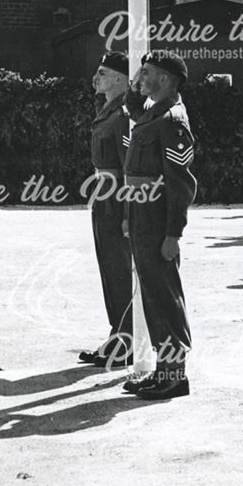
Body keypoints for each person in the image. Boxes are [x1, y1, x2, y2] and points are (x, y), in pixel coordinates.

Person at [121, 50, 198, 400]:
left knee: (164, 295)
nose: (140, 76)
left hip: (158, 220)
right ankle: (162, 370)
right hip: (140, 214)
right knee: (151, 295)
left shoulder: (172, 120)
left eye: (147, 71)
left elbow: (181, 183)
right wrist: (136, 85)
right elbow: (134, 108)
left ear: (166, 79)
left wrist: (173, 233)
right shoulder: (154, 112)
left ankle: (175, 376)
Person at [78, 51, 134, 370]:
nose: (96, 78)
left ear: (119, 79)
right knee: (109, 267)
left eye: (102, 73)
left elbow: (130, 166)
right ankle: (118, 333)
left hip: (117, 196)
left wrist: (129, 213)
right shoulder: (108, 110)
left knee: (120, 267)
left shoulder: (125, 113)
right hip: (103, 194)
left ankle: (128, 339)